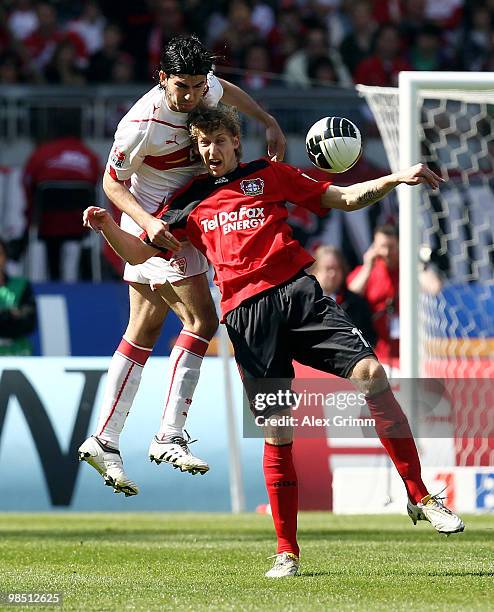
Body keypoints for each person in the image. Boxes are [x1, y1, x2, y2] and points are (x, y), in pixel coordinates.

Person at [83, 106, 464, 577]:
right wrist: (108, 227)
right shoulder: (189, 201)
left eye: (218, 140)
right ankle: (287, 551)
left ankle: (420, 496)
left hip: (299, 296)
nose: (211, 150)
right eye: (203, 144)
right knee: (279, 430)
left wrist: (395, 178)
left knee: (372, 375)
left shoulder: (269, 174)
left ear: (235, 142)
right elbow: (142, 251)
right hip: (246, 320)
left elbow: (341, 198)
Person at [77, 35, 286, 497]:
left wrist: (266, 120)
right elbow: (112, 185)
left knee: (143, 329)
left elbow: (225, 90)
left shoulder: (206, 87)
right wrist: (147, 222)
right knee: (202, 319)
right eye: (181, 87)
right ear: (161, 80)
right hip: (158, 218)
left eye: (196, 85)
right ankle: (169, 433)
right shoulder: (140, 125)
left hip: (181, 212)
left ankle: (105, 439)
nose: (191, 96)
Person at [347, 225, 400, 364]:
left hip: (408, 348)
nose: (387, 252)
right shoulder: (369, 271)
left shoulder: (409, 268)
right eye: (382, 246)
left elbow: (434, 287)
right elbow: (350, 295)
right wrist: (367, 266)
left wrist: (419, 263)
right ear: (374, 247)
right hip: (374, 350)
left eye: (391, 246)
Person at [311, 245, 376, 348]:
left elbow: (369, 337)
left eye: (336, 268)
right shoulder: (304, 302)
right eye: (328, 269)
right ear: (315, 271)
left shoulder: (355, 303)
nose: (333, 274)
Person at [0, 238, 37, 355]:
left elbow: (29, 323)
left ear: (5, 257)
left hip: (17, 351)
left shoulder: (21, 286)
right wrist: (10, 314)